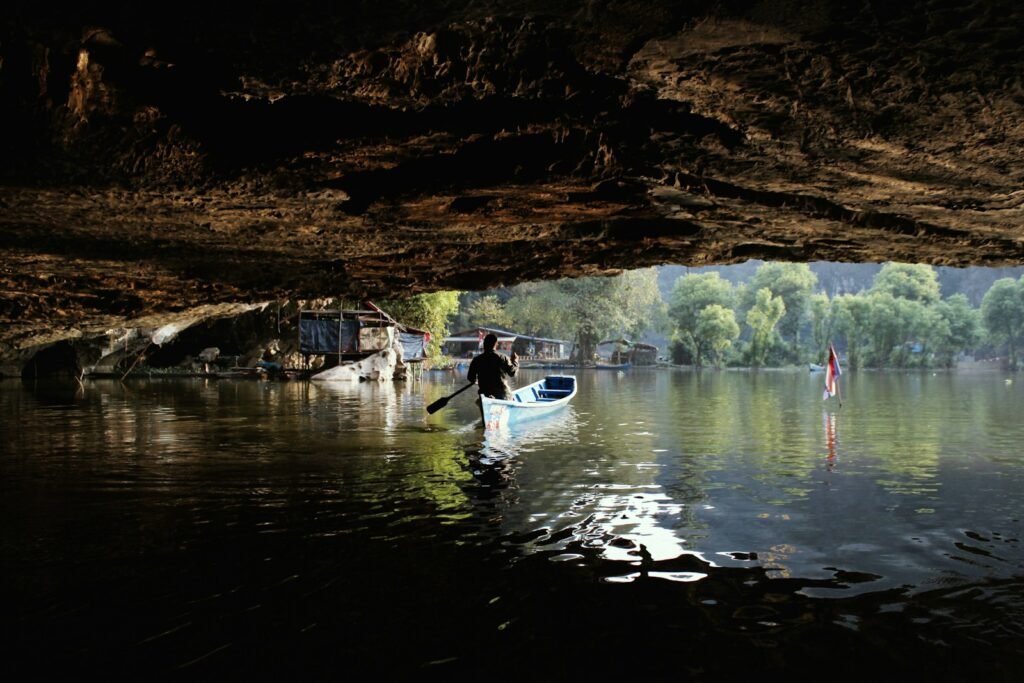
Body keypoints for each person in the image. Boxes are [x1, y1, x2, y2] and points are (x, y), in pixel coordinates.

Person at [467, 333, 519, 400]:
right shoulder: (503, 358)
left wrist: (477, 380)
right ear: (496, 344)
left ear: (484, 344)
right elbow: (512, 373)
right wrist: (515, 361)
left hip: (485, 393)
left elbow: (470, 377)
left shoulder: (476, 360)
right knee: (511, 397)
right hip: (502, 394)